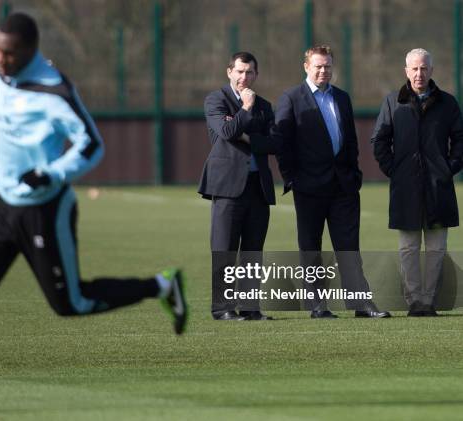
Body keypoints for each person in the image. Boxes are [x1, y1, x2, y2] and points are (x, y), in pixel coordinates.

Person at [0, 13, 188, 407]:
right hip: (2, 208)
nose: (1, 59)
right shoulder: (6, 78)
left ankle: (162, 286)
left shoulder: (56, 92)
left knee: (69, 304)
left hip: (45, 211)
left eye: (9, 53)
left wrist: (52, 174)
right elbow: (4, 118)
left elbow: (92, 144)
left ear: (29, 49)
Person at [273, 45, 390, 319]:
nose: (323, 70)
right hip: (308, 187)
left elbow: (350, 140)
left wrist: (354, 174)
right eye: (318, 66)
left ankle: (361, 303)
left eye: (327, 66)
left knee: (349, 247)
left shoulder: (342, 97)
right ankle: (317, 305)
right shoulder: (291, 98)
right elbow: (282, 143)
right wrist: (292, 179)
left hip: (344, 186)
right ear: (306, 67)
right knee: (311, 246)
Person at [371, 48, 463, 317]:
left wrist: (448, 169)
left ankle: (429, 302)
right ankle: (414, 303)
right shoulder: (392, 102)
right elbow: (379, 141)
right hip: (406, 189)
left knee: (436, 248)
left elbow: (460, 140)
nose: (419, 73)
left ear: (431, 71)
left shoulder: (448, 103)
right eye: (414, 68)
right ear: (406, 71)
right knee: (408, 248)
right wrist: (395, 171)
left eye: (424, 68)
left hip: (439, 188)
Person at [198, 51, 280, 321]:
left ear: (256, 74)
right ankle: (222, 309)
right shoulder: (215, 100)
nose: (245, 77)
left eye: (250, 72)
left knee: (253, 253)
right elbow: (226, 133)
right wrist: (244, 110)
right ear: (229, 72)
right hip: (226, 187)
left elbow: (273, 143)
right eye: (240, 71)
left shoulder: (265, 106)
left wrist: (246, 135)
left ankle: (250, 308)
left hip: (258, 187)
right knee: (225, 249)